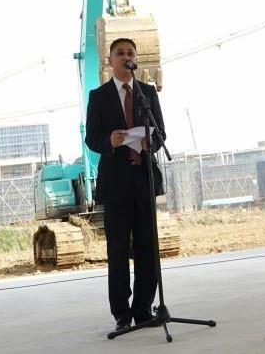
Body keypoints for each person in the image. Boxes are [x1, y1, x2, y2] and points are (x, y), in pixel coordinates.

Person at [85, 36, 166, 332]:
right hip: (116, 183)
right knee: (118, 249)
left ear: (136, 59)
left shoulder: (147, 92)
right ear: (110, 61)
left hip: (143, 178)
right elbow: (91, 138)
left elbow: (161, 133)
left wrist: (150, 143)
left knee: (147, 247)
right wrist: (110, 140)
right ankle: (121, 313)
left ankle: (143, 309)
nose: (125, 56)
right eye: (119, 53)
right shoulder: (99, 96)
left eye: (130, 52)